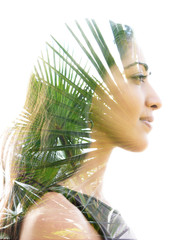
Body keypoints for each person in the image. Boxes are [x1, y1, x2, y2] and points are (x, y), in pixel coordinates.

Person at [0, 19, 161, 240]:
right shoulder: (58, 223)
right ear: (87, 86)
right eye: (138, 77)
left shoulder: (92, 212)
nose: (156, 100)